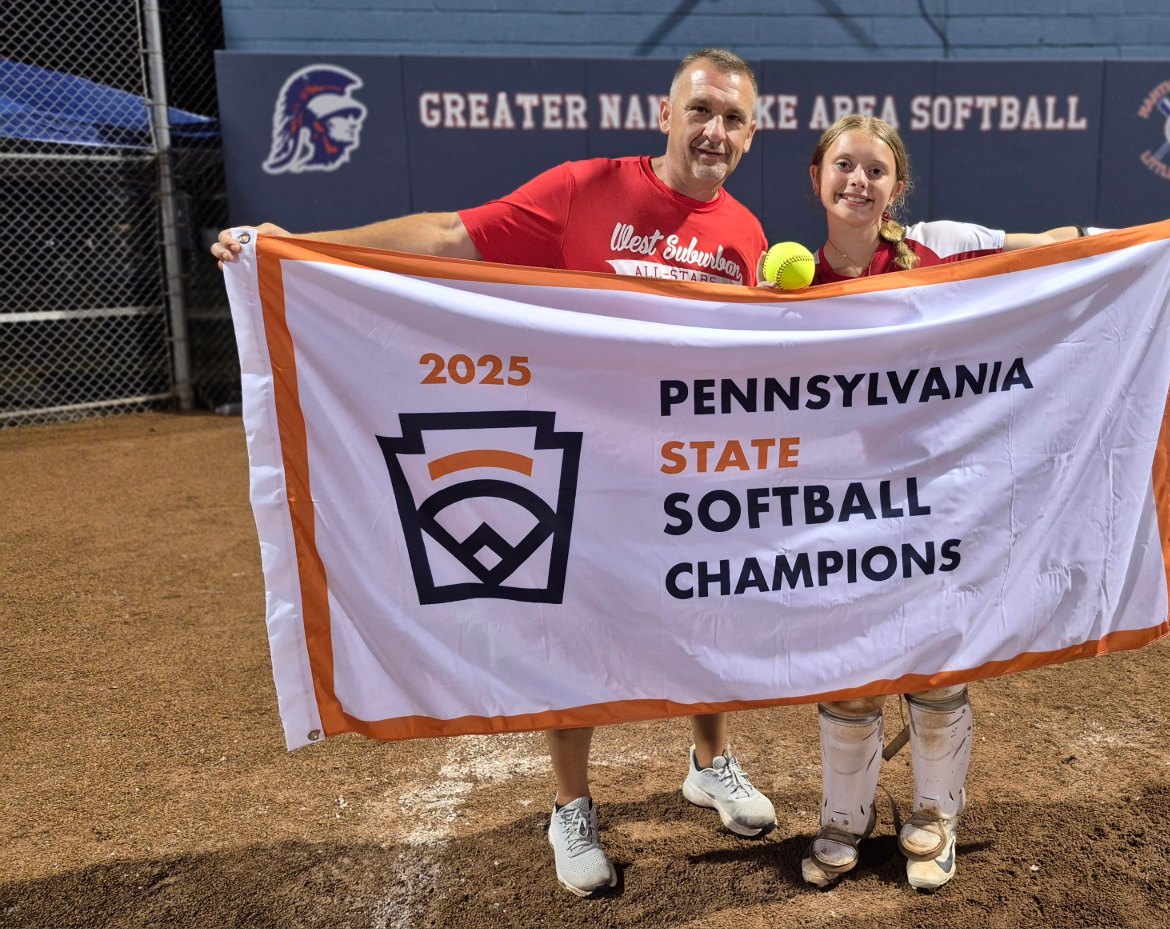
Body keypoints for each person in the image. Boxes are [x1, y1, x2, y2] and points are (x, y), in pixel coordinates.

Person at [213, 48, 777, 899]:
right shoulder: (587, 189)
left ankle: (710, 763)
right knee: (576, 629)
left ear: (752, 134)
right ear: (664, 115)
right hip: (588, 463)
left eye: (733, 118)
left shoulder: (746, 235)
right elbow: (448, 235)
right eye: (700, 109)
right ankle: (571, 805)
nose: (715, 130)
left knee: (698, 609)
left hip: (685, 468)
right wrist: (297, 246)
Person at [797, 114, 1089, 893]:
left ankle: (935, 815)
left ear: (898, 187)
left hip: (939, 499)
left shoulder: (942, 243)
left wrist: (1133, 248)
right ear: (817, 178)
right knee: (849, 673)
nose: (858, 180)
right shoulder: (783, 280)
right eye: (844, 166)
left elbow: (1046, 245)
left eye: (876, 170)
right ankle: (843, 818)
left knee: (935, 668)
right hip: (838, 505)